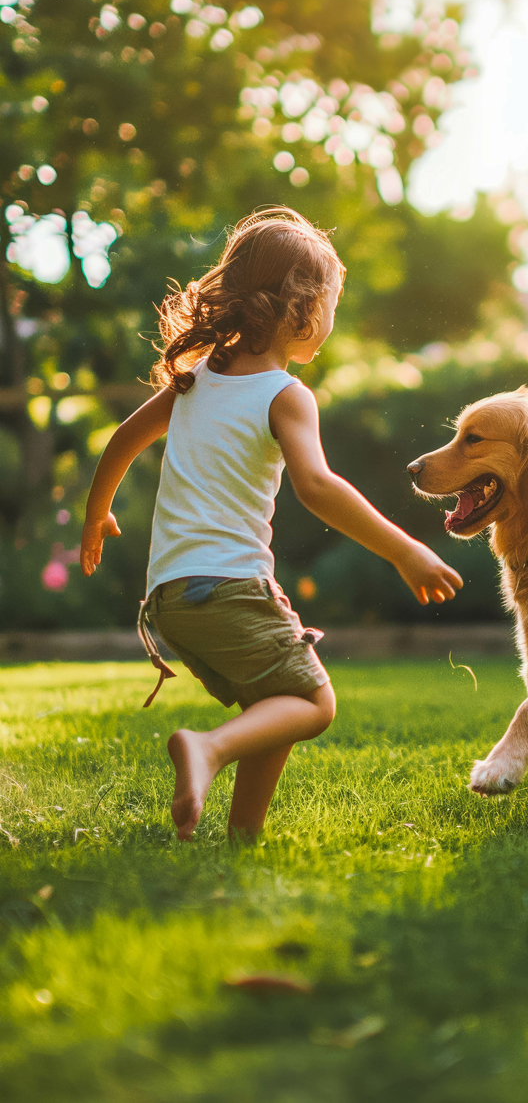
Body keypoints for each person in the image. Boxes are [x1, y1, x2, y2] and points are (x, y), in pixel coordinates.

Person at [80, 208, 463, 839]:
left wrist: (98, 515)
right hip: (230, 587)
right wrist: (404, 550)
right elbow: (316, 486)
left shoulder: (196, 379)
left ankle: (243, 837)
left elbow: (123, 439)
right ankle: (207, 750)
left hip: (170, 598)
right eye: (334, 303)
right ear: (305, 309)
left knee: (272, 702)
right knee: (313, 702)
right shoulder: (285, 394)